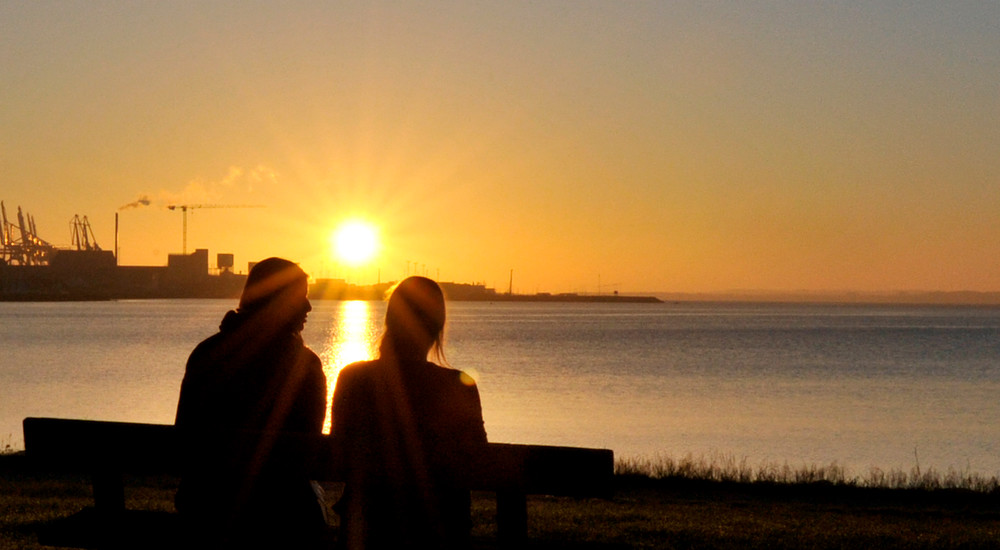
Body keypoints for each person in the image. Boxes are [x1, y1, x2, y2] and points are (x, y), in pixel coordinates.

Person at [175, 257, 328, 549]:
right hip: (280, 515)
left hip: (205, 508)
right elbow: (309, 448)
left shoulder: (206, 354)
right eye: (301, 297)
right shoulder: (303, 366)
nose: (309, 307)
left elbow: (184, 435)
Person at [332, 276, 487, 550]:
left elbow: (336, 452)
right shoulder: (458, 385)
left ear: (390, 321)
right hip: (440, 527)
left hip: (367, 522)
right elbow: (478, 458)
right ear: (437, 327)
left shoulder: (353, 377)